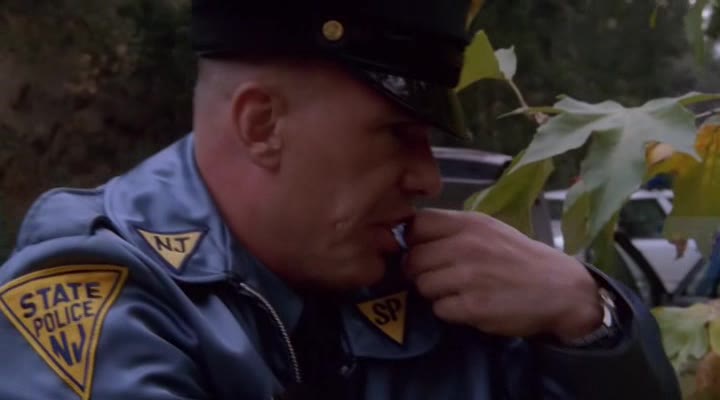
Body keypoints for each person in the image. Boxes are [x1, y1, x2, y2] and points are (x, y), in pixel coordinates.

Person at [0, 1, 680, 399]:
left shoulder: (443, 288)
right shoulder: (99, 293)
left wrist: (590, 322)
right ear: (262, 126)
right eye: (397, 135)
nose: (428, 180)